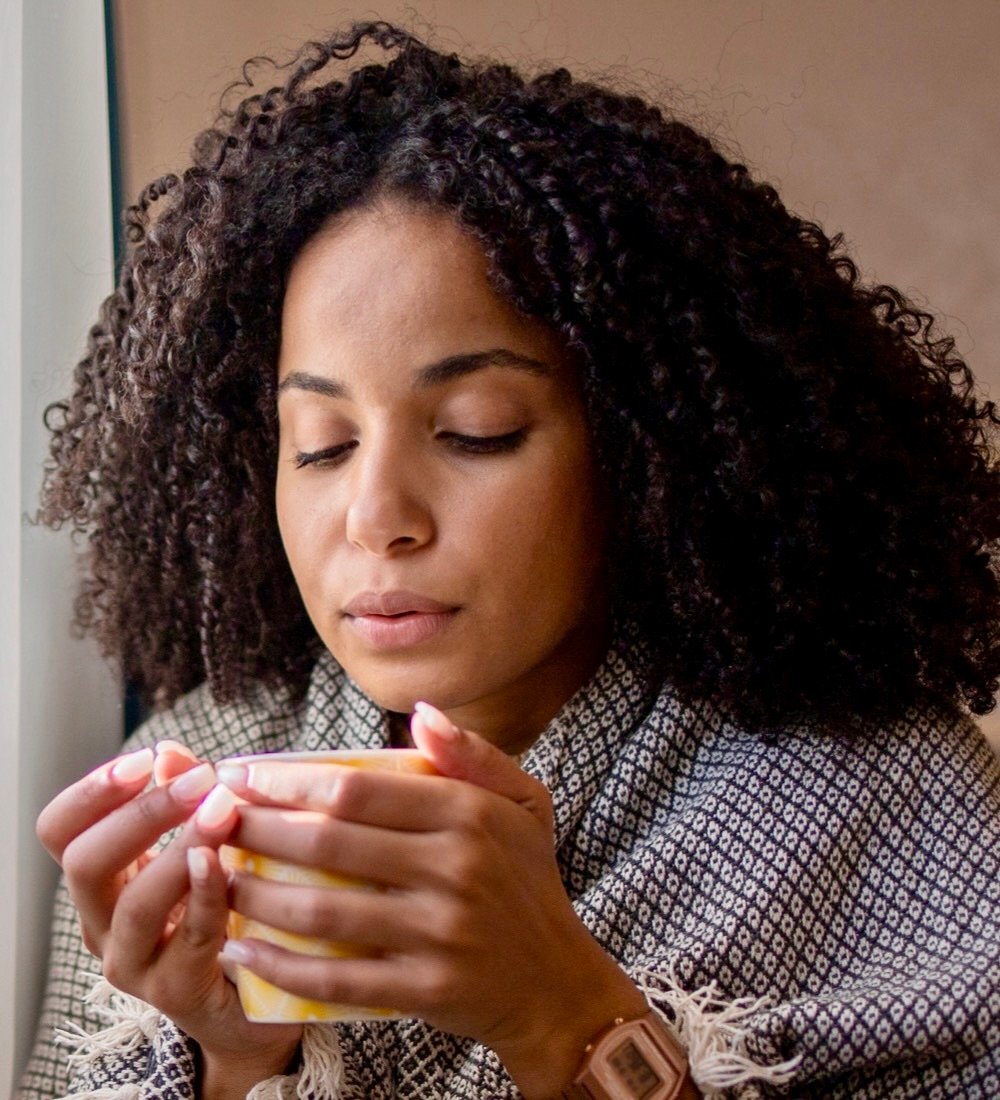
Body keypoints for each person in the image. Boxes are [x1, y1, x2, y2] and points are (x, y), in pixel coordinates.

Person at [17, 19, 1000, 1100]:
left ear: (640, 447)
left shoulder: (883, 802)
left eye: (477, 428)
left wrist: (558, 1010)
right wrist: (231, 1054)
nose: (376, 515)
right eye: (322, 446)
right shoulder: (188, 783)